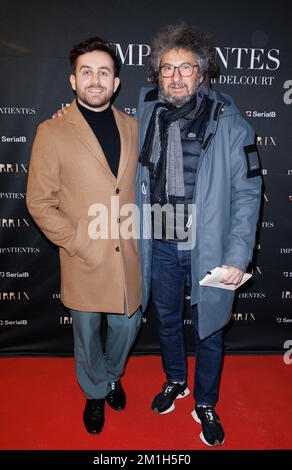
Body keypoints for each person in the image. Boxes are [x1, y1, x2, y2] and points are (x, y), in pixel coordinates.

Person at [136, 24, 262, 446]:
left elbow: (247, 193)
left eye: (184, 67)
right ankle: (175, 380)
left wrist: (238, 256)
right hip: (160, 241)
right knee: (167, 320)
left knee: (209, 327)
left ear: (202, 72)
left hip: (209, 247)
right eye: (167, 67)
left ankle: (205, 401)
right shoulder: (148, 110)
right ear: (157, 73)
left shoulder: (231, 123)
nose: (175, 76)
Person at [26, 37, 142, 435]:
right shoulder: (52, 131)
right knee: (87, 333)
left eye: (104, 72)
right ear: (73, 81)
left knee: (128, 327)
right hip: (82, 256)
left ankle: (112, 375)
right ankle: (95, 391)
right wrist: (75, 241)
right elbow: (39, 202)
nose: (96, 79)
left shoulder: (135, 126)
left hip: (126, 255)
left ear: (116, 83)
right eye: (87, 72)